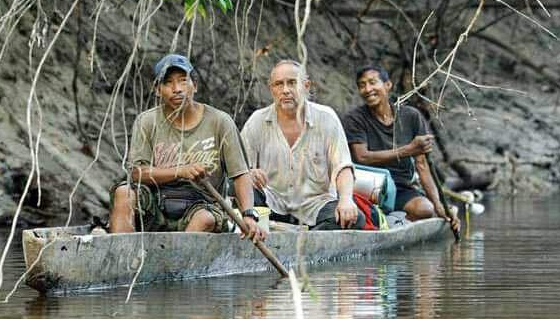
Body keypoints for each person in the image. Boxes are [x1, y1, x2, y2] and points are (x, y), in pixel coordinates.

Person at [108, 54, 265, 241]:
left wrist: (248, 215)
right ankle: (121, 257)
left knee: (204, 218)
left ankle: (176, 266)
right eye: (168, 83)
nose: (177, 89)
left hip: (203, 203)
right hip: (157, 203)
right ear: (158, 90)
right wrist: (180, 171)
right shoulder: (147, 121)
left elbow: (240, 174)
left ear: (195, 86)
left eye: (183, 81)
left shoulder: (219, 122)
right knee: (123, 193)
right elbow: (136, 173)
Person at [240, 59, 361, 230]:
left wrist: (346, 200)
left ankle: (305, 239)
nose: (286, 90)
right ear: (271, 89)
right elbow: (239, 169)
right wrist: (250, 173)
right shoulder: (257, 121)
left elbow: (343, 167)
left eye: (292, 83)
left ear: (306, 86)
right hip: (272, 202)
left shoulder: (326, 118)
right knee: (241, 192)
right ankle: (274, 231)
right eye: (278, 84)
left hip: (314, 205)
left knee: (352, 219)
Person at [342, 65, 459, 231]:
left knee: (426, 209)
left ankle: (397, 222)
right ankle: (388, 221)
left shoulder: (411, 116)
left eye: (372, 82)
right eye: (362, 85)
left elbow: (422, 165)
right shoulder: (354, 119)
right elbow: (362, 157)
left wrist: (439, 205)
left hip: (401, 188)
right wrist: (408, 150)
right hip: (366, 188)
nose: (367, 89)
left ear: (388, 85)